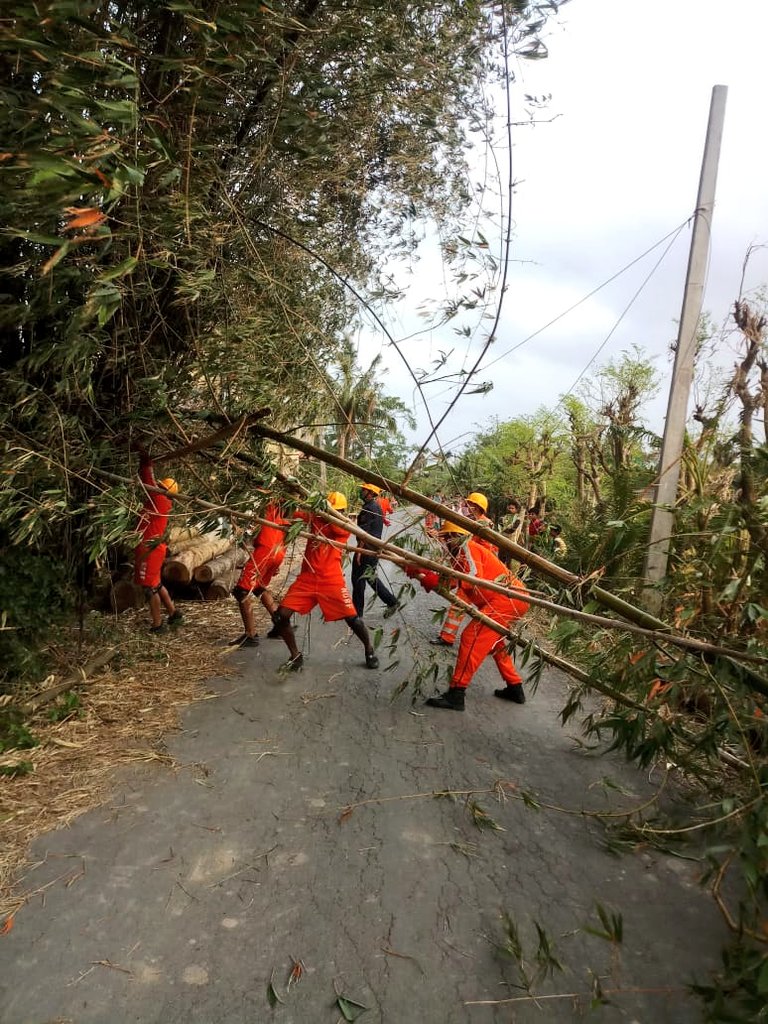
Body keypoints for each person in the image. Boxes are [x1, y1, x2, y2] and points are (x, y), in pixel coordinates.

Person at [406, 522, 529, 712]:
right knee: (495, 644)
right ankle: (515, 687)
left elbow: (472, 577)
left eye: (447, 538)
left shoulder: (469, 548)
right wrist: (423, 575)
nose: (445, 542)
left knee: (471, 638)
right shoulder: (459, 554)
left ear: (456, 535)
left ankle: (457, 692)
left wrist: (430, 575)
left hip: (506, 600)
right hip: (507, 600)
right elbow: (452, 581)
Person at [271, 491, 380, 672]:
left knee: (353, 619)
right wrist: (283, 497)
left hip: (331, 580)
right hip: (307, 578)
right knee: (280, 616)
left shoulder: (344, 526)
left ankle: (369, 649)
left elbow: (337, 528)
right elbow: (292, 513)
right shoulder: (315, 517)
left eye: (336, 510)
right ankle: (295, 656)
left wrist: (325, 515)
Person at [430, 490, 495, 647]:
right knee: (443, 585)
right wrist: (439, 535)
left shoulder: (483, 525)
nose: (465, 507)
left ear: (477, 507)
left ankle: (447, 637)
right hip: (465, 566)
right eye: (466, 504)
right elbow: (455, 537)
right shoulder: (470, 522)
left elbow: (476, 548)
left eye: (469, 505)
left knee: (460, 601)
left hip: (476, 570)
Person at [134, 448, 183, 634]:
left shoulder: (160, 500)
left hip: (150, 548)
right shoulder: (158, 501)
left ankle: (157, 624)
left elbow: (148, 481)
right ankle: (173, 613)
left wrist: (146, 463)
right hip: (153, 547)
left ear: (165, 491)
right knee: (156, 584)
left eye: (161, 487)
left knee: (149, 588)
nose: (158, 488)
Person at [230, 501, 288, 647]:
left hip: (265, 549)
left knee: (242, 591)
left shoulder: (262, 498)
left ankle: (250, 634)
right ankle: (281, 625)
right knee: (258, 586)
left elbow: (249, 524)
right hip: (277, 549)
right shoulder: (278, 502)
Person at [351, 483, 398, 617]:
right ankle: (391, 601)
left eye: (363, 490)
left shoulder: (369, 508)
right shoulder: (374, 506)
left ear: (370, 493)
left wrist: (359, 552)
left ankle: (357, 614)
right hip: (372, 548)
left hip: (366, 549)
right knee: (370, 578)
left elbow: (364, 533)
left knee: (358, 579)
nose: (361, 491)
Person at [498, 497, 523, 567]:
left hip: (511, 543)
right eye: (509, 508)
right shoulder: (502, 518)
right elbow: (501, 528)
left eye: (512, 508)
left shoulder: (517, 520)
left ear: (516, 510)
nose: (510, 510)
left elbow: (511, 530)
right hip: (502, 542)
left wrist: (504, 528)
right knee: (500, 560)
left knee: (508, 563)